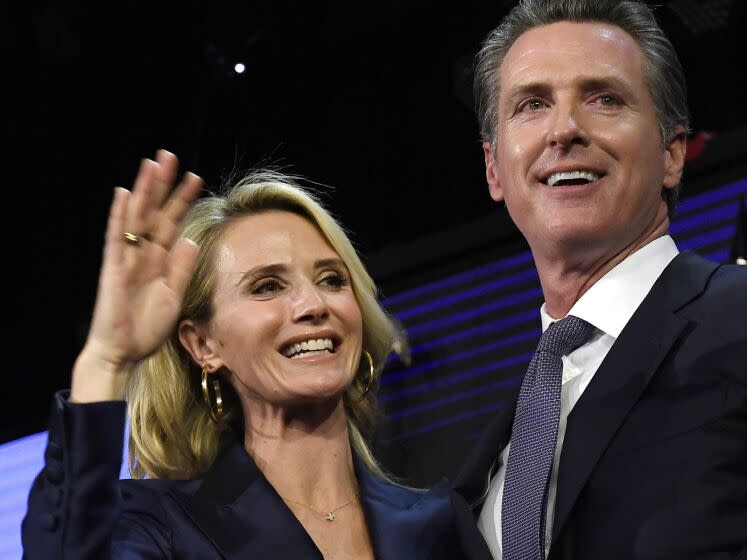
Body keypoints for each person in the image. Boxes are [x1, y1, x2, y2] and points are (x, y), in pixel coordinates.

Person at [22, 150, 492, 559]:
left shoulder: (436, 525)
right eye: (267, 286)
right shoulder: (162, 527)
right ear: (203, 345)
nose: (314, 306)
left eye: (331, 279)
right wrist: (107, 361)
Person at [453, 0, 747, 559]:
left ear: (672, 153)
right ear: (494, 169)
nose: (564, 130)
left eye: (604, 99)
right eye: (532, 104)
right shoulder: (499, 449)